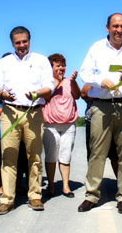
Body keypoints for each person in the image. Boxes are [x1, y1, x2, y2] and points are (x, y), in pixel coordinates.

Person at [77, 13, 122, 214]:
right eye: (115, 26)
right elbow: (85, 73)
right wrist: (101, 81)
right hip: (102, 105)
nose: (119, 30)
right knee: (97, 151)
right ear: (107, 27)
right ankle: (91, 195)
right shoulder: (96, 48)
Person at [0, 26, 54, 215]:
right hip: (10, 112)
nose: (21, 45)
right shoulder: (4, 62)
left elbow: (49, 87)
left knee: (34, 157)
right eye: (17, 42)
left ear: (29, 40)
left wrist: (37, 93)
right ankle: (7, 199)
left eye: (24, 41)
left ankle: (35, 196)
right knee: (8, 157)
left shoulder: (41, 60)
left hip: (34, 112)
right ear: (12, 43)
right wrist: (2, 94)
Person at [42, 53, 80, 198]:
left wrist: (73, 82)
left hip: (69, 125)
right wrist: (57, 82)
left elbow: (77, 96)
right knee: (51, 156)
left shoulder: (69, 82)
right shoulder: (46, 84)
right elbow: (45, 97)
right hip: (50, 125)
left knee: (66, 156)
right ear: (50, 67)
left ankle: (65, 186)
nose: (61, 68)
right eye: (58, 65)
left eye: (63, 65)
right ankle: (51, 186)